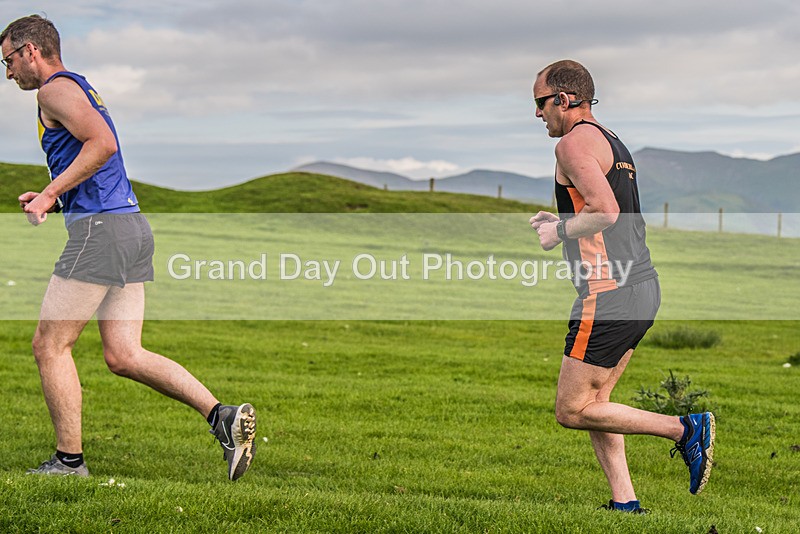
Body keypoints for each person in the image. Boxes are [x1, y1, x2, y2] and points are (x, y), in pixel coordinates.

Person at [1, 14, 256, 481]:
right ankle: (222, 416)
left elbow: (103, 145)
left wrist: (51, 192)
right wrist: (59, 198)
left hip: (102, 232)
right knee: (124, 354)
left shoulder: (53, 90)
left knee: (49, 345)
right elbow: (96, 161)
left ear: (30, 50)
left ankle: (68, 462)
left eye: (9, 61)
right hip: (128, 226)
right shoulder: (80, 88)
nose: (8, 72)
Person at [529, 60, 714, 512]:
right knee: (598, 401)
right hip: (640, 285)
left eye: (540, 103)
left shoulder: (573, 143)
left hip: (609, 292)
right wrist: (565, 221)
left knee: (572, 409)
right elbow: (603, 213)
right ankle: (625, 503)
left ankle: (684, 429)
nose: (537, 113)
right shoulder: (610, 141)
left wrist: (558, 231)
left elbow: (606, 212)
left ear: (564, 99)